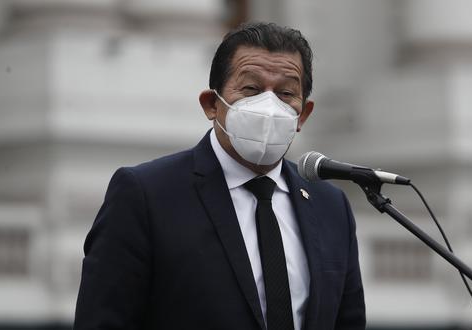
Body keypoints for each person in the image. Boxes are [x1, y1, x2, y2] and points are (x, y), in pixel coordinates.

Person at [74, 22, 365, 330]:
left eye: (285, 93)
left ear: (302, 115)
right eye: (251, 89)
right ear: (212, 104)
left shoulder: (330, 205)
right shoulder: (146, 195)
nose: (269, 106)